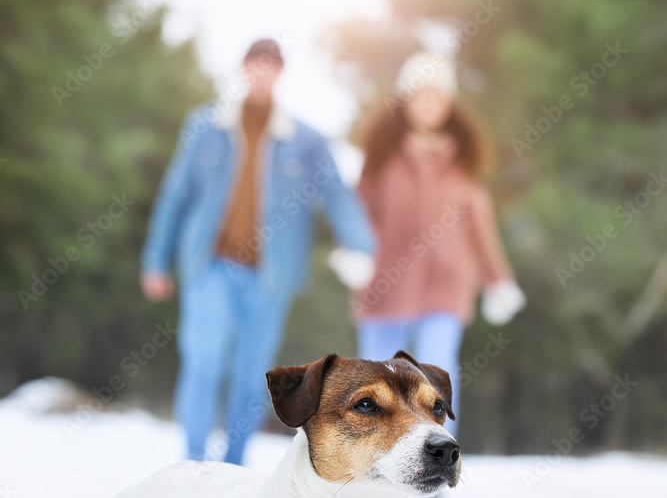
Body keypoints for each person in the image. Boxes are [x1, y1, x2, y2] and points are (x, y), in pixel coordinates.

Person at [140, 38, 375, 463]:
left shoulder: (305, 140)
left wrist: (359, 246)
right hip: (210, 265)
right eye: (254, 64)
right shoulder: (205, 125)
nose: (261, 73)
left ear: (279, 73)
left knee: (253, 377)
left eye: (270, 66)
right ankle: (193, 462)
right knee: (204, 360)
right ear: (243, 70)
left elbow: (337, 194)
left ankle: (233, 464)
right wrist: (155, 260)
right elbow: (176, 195)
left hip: (270, 276)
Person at [330, 52, 525, 434]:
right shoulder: (381, 157)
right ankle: (377, 464)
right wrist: (354, 250)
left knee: (435, 374)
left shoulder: (463, 164)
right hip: (385, 282)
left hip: (445, 284)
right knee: (377, 378)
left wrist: (498, 280)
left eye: (436, 97)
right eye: (421, 95)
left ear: (448, 104)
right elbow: (358, 212)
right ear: (406, 101)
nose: (428, 105)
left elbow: (480, 229)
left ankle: (438, 461)